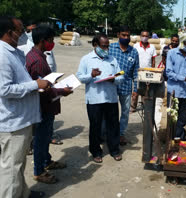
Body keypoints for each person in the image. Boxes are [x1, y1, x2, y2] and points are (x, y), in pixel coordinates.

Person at [0, 16, 49, 198]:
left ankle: (22, 193)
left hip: (22, 119)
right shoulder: (2, 55)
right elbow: (4, 89)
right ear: (9, 33)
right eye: (21, 31)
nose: (24, 35)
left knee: (18, 164)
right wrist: (36, 85)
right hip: (13, 122)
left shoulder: (14, 52)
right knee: (11, 168)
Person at [26, 25, 73, 184]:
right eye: (51, 40)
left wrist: (53, 81)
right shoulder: (37, 61)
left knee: (45, 137)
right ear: (42, 41)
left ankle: (47, 161)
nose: (53, 43)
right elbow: (43, 89)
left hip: (45, 104)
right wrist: (61, 91)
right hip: (43, 106)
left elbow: (43, 82)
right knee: (41, 138)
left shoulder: (36, 55)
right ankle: (39, 171)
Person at [77, 34, 124, 163]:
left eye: (107, 46)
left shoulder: (112, 59)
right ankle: (96, 151)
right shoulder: (86, 59)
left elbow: (121, 77)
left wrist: (114, 79)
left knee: (113, 126)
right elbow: (80, 77)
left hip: (111, 99)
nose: (106, 49)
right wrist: (91, 75)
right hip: (94, 99)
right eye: (103, 46)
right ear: (95, 45)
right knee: (95, 126)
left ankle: (114, 150)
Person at [109, 25, 139, 146]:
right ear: (118, 35)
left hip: (126, 87)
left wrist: (136, 89)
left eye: (128, 35)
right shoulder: (111, 48)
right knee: (110, 112)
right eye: (123, 35)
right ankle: (108, 133)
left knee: (125, 112)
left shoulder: (134, 51)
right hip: (110, 86)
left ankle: (121, 134)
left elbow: (136, 72)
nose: (126, 37)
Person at [131, 30, 157, 112]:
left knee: (146, 90)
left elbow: (153, 60)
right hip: (137, 71)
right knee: (135, 91)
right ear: (140, 36)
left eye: (146, 36)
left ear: (149, 37)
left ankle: (144, 106)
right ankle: (133, 107)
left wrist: (153, 71)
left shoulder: (152, 47)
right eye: (143, 36)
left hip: (147, 72)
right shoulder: (136, 46)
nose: (144, 37)